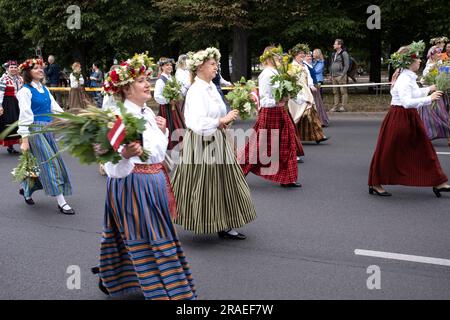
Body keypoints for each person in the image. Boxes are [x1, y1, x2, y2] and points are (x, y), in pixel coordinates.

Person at [97, 53, 196, 300]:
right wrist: (126, 155)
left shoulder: (147, 114)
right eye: (141, 80)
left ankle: (115, 278)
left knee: (134, 236)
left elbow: (158, 153)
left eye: (146, 79)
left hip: (154, 182)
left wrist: (162, 131)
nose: (147, 84)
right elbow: (111, 168)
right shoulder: (117, 118)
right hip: (132, 185)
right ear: (127, 88)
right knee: (151, 238)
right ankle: (168, 292)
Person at [171, 47, 256, 240]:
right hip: (201, 142)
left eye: (216, 64)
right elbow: (196, 122)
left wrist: (227, 122)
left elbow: (219, 115)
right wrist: (221, 121)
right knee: (199, 184)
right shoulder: (196, 90)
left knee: (225, 182)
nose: (216, 67)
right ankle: (187, 219)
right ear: (200, 67)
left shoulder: (211, 88)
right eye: (212, 64)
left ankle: (225, 224)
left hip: (217, 138)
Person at [368, 42, 450, 198]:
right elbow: (406, 102)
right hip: (400, 117)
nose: (420, 60)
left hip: (409, 117)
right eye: (417, 58)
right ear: (409, 61)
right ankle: (375, 182)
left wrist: (428, 89)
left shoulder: (408, 77)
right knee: (388, 151)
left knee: (425, 149)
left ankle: (438, 182)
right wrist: (429, 98)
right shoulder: (404, 79)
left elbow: (414, 93)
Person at [239, 46, 303, 188]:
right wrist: (279, 100)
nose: (280, 58)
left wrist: (295, 98)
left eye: (279, 56)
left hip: (280, 111)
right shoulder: (266, 74)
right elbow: (265, 100)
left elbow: (283, 92)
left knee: (286, 143)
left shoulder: (278, 72)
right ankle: (237, 172)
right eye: (276, 56)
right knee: (260, 145)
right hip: (270, 113)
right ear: (268, 58)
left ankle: (287, 177)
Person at [16, 58, 74, 213]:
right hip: (35, 131)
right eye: (35, 68)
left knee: (38, 164)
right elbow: (25, 116)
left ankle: (26, 188)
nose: (40, 70)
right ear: (28, 72)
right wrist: (24, 140)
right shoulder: (25, 91)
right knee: (51, 163)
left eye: (41, 67)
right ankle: (61, 202)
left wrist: (72, 121)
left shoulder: (45, 89)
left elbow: (55, 109)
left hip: (48, 130)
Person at [288, 44, 329, 144]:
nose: (302, 55)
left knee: (311, 112)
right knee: (298, 115)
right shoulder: (292, 66)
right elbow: (291, 82)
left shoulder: (304, 65)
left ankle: (318, 136)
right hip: (297, 93)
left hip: (306, 91)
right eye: (300, 54)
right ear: (295, 55)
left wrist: (311, 85)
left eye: (303, 53)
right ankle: (292, 136)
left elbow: (309, 77)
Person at [155, 57, 185, 150]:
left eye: (170, 65)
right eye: (167, 65)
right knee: (170, 124)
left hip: (174, 106)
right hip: (167, 108)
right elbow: (157, 96)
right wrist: (168, 100)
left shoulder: (171, 78)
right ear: (162, 67)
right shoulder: (160, 80)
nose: (170, 66)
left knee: (178, 123)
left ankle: (180, 142)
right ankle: (172, 143)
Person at [0, 60, 23, 154]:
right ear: (7, 68)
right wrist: (0, 106)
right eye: (11, 67)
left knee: (21, 122)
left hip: (18, 103)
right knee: (10, 123)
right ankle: (10, 145)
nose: (13, 69)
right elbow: (0, 93)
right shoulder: (3, 79)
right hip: (8, 103)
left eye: (15, 67)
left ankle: (23, 144)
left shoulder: (20, 78)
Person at [307, 51, 330, 127]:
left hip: (317, 82)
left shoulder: (319, 62)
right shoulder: (311, 63)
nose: (311, 56)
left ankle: (320, 120)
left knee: (317, 102)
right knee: (314, 102)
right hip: (312, 83)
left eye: (312, 55)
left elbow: (316, 71)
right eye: (309, 56)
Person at [330, 39, 349, 112]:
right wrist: (331, 74)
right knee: (335, 92)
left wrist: (342, 75)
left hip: (341, 75)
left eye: (335, 44)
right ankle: (335, 107)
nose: (333, 45)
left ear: (339, 45)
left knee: (343, 92)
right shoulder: (333, 54)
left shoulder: (344, 53)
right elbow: (332, 64)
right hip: (334, 76)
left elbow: (346, 65)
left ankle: (343, 107)